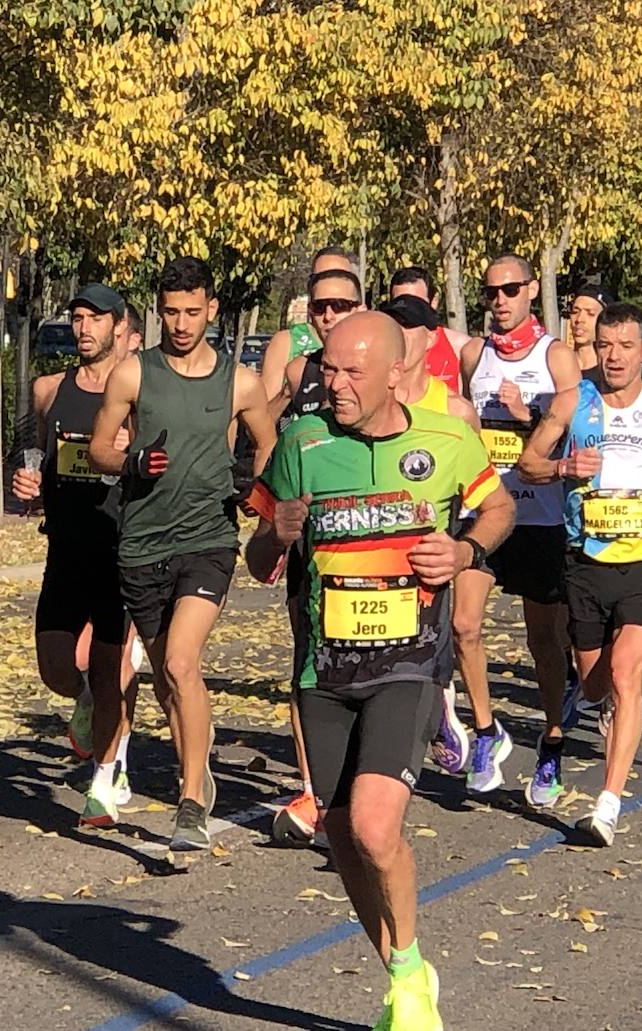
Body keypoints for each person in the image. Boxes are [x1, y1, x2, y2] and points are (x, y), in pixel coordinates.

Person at [246, 312, 513, 1031]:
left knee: (371, 826)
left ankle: (409, 978)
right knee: (340, 832)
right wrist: (276, 534)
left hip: (410, 663)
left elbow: (499, 507)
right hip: (324, 668)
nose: (333, 384)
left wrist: (463, 553)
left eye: (351, 372)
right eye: (327, 369)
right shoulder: (303, 443)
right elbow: (259, 559)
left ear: (397, 372)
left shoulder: (448, 438)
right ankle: (404, 970)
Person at [89, 256, 276, 850]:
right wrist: (132, 462)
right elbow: (97, 449)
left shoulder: (239, 382)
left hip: (208, 541)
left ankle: (190, 800)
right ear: (158, 311)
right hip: (142, 543)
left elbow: (268, 441)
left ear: (212, 310)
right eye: (170, 312)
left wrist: (256, 492)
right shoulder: (132, 374)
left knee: (178, 664)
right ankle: (198, 763)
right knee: (173, 683)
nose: (181, 323)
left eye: (193, 312)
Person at [518, 302, 642, 846]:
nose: (614, 357)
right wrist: (562, 467)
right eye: (606, 345)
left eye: (626, 347)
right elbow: (526, 464)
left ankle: (608, 803)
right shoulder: (571, 401)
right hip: (586, 560)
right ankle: (598, 702)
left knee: (629, 674)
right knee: (598, 682)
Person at [453, 254, 581, 806]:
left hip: (541, 515)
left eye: (509, 290)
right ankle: (486, 733)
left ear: (531, 290)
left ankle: (552, 742)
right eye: (490, 293)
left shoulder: (556, 357)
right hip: (485, 511)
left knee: (545, 643)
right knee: (463, 626)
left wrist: (527, 412)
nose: (499, 301)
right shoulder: (473, 354)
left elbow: (573, 436)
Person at [11, 283, 139, 827]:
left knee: (110, 668)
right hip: (64, 548)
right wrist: (28, 482)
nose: (84, 328)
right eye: (77, 317)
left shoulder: (139, 388)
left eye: (95, 319)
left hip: (119, 547)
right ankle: (85, 701)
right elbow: (33, 452)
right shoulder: (48, 389)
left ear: (119, 326)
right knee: (58, 670)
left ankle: (104, 783)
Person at [267, 266, 366, 846]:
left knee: (370, 668)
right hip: (311, 545)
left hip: (376, 550)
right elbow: (266, 431)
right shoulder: (297, 366)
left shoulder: (387, 360)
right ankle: (317, 789)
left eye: (341, 304)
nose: (329, 315)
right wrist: (273, 525)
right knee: (309, 661)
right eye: (320, 306)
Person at [259, 246, 358, 406]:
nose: (328, 283)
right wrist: (292, 390)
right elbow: (261, 419)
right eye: (319, 277)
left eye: (339, 276)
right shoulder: (287, 342)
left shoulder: (369, 344)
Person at [388, 266, 470, 393]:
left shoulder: (460, 347)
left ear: (434, 303)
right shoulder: (383, 347)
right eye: (401, 303)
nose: (409, 311)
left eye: (418, 304)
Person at [566, 285, 608, 374]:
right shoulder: (557, 366)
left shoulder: (610, 372)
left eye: (590, 313)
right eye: (575, 312)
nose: (579, 319)